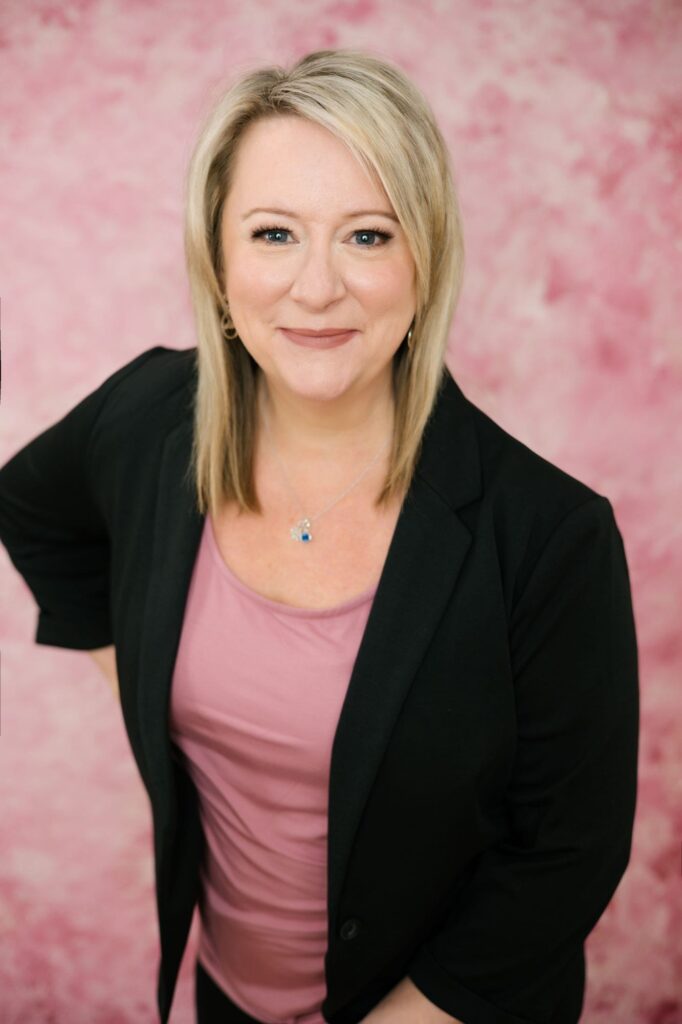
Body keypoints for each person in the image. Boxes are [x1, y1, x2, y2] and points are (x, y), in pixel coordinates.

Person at [0, 48, 639, 1024]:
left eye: (368, 236)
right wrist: (130, 667)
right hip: (223, 998)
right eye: (273, 233)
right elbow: (33, 506)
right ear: (218, 262)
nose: (316, 288)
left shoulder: (551, 534)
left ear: (425, 261)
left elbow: (563, 855)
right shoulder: (150, 419)